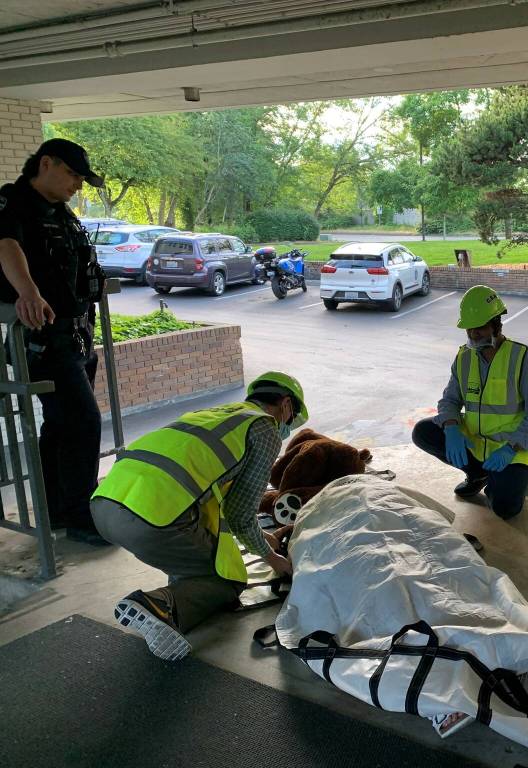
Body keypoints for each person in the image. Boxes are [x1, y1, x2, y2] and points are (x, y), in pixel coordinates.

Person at [90, 372, 307, 661]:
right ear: (286, 405)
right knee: (227, 579)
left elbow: (211, 496)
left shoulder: (213, 415)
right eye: (290, 420)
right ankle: (160, 605)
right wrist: (274, 559)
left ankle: (171, 601)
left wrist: (261, 537)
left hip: (104, 506)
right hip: (152, 521)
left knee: (203, 552)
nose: (286, 427)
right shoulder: (264, 429)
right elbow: (239, 515)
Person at [0, 138, 108, 545]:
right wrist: (26, 291)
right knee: (83, 421)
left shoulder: (61, 213)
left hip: (76, 335)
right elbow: (6, 245)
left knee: (62, 425)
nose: (78, 184)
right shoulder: (12, 205)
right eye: (73, 174)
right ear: (46, 163)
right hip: (45, 340)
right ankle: (81, 516)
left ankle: (57, 509)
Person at [411, 285, 528, 520]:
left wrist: (510, 448)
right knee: (423, 431)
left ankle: (517, 476)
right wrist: (452, 427)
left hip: (510, 449)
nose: (474, 335)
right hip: (476, 442)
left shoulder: (522, 357)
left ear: (497, 324)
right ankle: (478, 474)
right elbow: (449, 400)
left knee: (505, 509)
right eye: (470, 330)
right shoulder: (464, 357)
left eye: (481, 329)